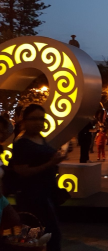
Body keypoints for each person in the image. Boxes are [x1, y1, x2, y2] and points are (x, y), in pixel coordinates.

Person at [9, 104, 65, 251]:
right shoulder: (22, 144)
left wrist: (57, 157)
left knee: (50, 236)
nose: (38, 122)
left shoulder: (40, 138)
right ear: (24, 121)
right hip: (32, 198)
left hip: (47, 194)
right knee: (39, 238)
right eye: (33, 119)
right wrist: (50, 163)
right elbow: (23, 171)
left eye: (41, 119)